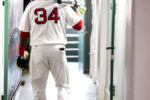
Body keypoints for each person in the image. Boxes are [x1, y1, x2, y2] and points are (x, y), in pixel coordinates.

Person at [16, 0, 83, 100]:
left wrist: (21, 55)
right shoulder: (62, 4)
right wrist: (76, 9)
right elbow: (78, 26)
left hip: (38, 49)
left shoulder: (31, 6)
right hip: (58, 49)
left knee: (38, 90)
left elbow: (24, 33)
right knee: (62, 87)